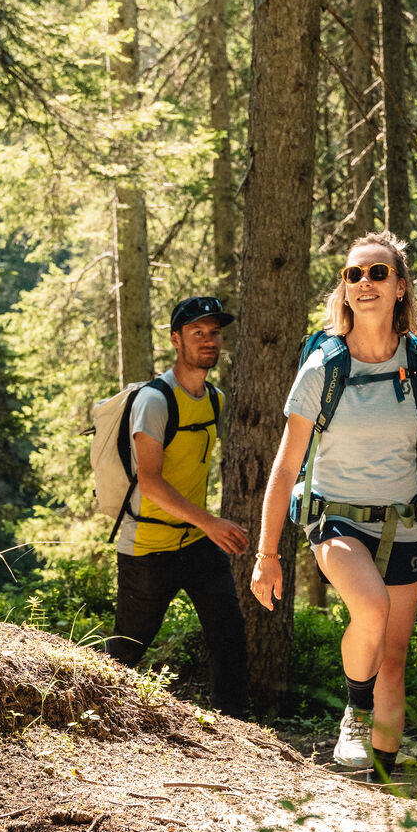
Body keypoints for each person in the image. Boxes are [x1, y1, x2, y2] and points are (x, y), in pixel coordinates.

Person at [249, 232, 417, 777]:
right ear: (345, 289)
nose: (364, 283)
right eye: (353, 275)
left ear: (400, 287)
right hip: (336, 520)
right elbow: (285, 466)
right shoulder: (323, 368)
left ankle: (380, 783)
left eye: (377, 273)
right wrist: (267, 552)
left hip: (402, 523)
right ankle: (353, 717)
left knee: (394, 663)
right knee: (371, 608)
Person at [105, 294, 251, 718]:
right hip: (149, 544)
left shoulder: (214, 400)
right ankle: (87, 718)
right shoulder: (155, 401)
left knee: (228, 633)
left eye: (214, 333)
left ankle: (237, 732)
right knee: (128, 647)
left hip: (196, 542)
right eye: (197, 333)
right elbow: (149, 482)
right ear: (176, 340)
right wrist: (211, 522)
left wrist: (206, 528)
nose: (208, 341)